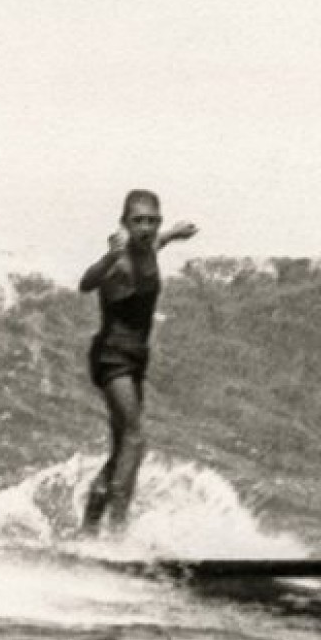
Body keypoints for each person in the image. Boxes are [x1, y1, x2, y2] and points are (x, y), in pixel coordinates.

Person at [78, 189, 195, 535]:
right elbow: (87, 283)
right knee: (135, 440)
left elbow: (157, 243)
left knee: (121, 452)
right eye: (138, 221)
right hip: (112, 358)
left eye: (152, 220)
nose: (146, 227)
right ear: (124, 224)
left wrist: (174, 232)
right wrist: (107, 257)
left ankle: (87, 532)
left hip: (135, 360)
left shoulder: (149, 248)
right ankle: (117, 536)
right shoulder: (119, 260)